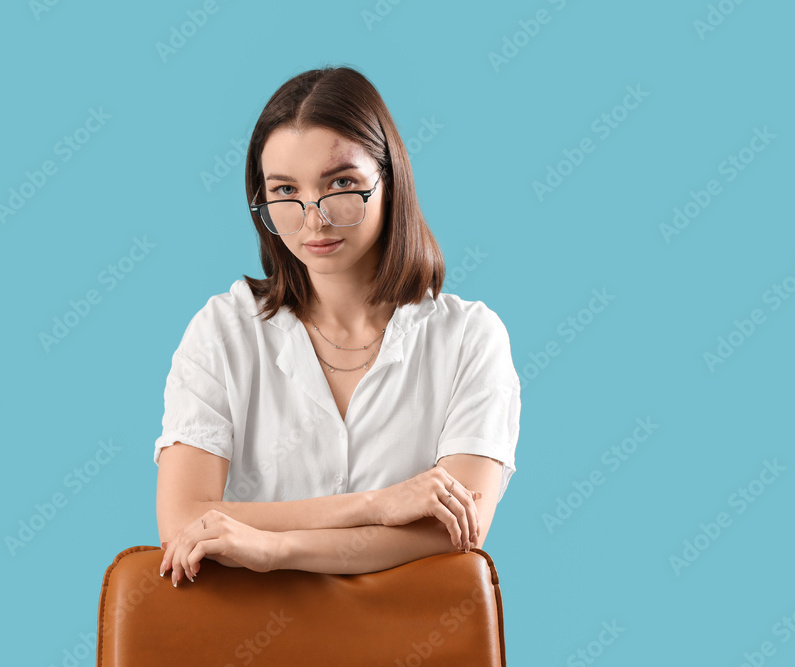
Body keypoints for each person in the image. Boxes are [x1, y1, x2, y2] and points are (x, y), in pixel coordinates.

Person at [155, 66, 521, 587]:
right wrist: (380, 505)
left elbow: (455, 532)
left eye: (341, 183)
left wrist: (271, 548)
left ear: (389, 180)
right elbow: (183, 521)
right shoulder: (224, 331)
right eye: (284, 189)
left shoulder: (469, 339)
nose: (313, 219)